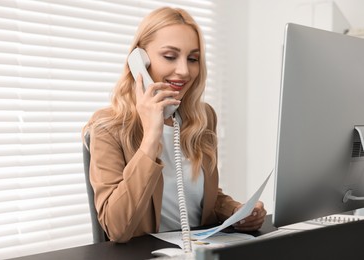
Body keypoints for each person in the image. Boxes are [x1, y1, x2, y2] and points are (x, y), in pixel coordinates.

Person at [82, 6, 266, 243]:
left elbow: (201, 197)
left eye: (193, 59)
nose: (184, 71)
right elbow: (116, 227)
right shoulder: (108, 127)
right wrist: (151, 136)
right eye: (170, 56)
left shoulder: (202, 117)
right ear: (139, 61)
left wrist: (237, 211)